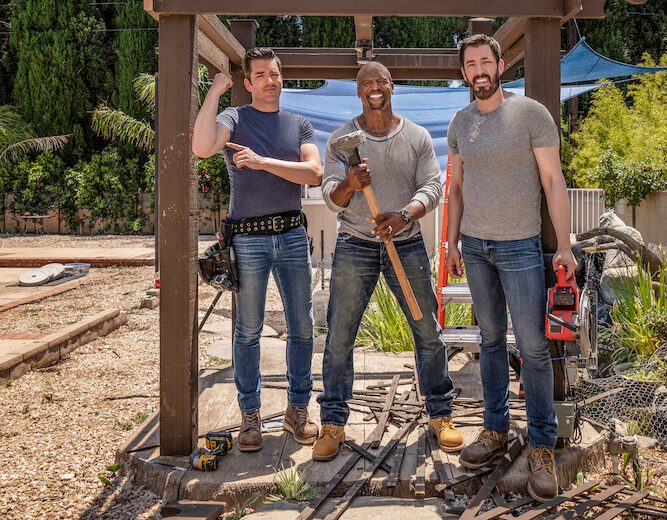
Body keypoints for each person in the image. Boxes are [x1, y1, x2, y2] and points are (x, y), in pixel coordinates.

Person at [445, 34, 578, 501]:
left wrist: (563, 244)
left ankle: (542, 445)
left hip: (521, 246)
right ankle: (496, 431)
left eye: (486, 62)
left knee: (535, 347)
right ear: (464, 72)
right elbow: (455, 187)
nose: (479, 70)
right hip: (475, 247)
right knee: (489, 341)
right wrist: (451, 242)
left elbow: (553, 181)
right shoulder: (460, 123)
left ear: (500, 65)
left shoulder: (530, 115)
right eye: (471, 65)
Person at [312, 62, 463, 461]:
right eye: (365, 83)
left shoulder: (415, 136)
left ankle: (440, 415)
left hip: (407, 243)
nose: (373, 87)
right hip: (355, 243)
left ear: (391, 86)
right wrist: (349, 183)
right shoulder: (343, 139)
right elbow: (331, 194)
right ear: (358, 91)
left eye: (380, 81)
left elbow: (433, 185)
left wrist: (404, 215)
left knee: (427, 330)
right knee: (340, 336)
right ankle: (333, 423)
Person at [192, 48, 322, 452]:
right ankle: (250, 418)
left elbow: (314, 174)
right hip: (246, 238)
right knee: (247, 331)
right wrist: (215, 90)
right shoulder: (236, 118)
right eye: (261, 74)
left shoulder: (298, 123)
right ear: (248, 83)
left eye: (275, 73)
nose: (270, 80)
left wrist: (263, 162)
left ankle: (297, 411)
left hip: (292, 233)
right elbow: (201, 146)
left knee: (301, 327)